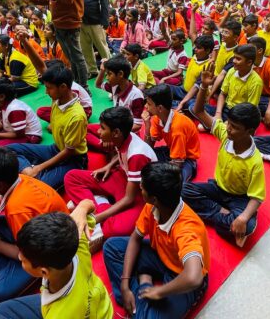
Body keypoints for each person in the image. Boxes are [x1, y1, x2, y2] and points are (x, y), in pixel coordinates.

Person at [0, 148, 69, 316]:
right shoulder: (13, 182)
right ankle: (0, 269)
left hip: (48, 253)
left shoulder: (17, 208)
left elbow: (33, 256)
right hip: (30, 233)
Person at [104, 163, 209, 319]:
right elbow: (135, 238)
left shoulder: (187, 228)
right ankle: (135, 297)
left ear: (154, 198)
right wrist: (125, 285)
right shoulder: (152, 207)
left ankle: (142, 285)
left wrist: (158, 291)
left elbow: (193, 277)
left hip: (182, 276)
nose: (140, 187)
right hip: (161, 255)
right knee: (111, 247)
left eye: (142, 187)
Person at [184, 67, 265, 247]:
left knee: (248, 225)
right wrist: (204, 87)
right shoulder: (224, 134)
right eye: (229, 124)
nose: (228, 128)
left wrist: (243, 217)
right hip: (218, 188)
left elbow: (257, 197)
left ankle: (222, 217)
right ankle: (221, 215)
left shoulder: (254, 160)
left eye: (235, 127)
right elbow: (198, 112)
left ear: (250, 131)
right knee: (182, 190)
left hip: (239, 198)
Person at [0, 202, 114, 319]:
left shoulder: (58, 315)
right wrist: (81, 209)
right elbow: (89, 203)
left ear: (44, 272)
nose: (20, 257)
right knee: (1, 310)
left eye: (24, 259)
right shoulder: (78, 247)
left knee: (0, 312)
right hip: (102, 308)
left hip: (70, 310)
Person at [64, 106, 157, 252]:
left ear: (116, 133)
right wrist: (109, 165)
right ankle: (98, 203)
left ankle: (97, 206)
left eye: (102, 128)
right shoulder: (124, 137)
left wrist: (97, 219)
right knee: (72, 177)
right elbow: (88, 129)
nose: (99, 131)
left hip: (139, 194)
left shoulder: (137, 155)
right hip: (122, 177)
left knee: (113, 230)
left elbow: (129, 199)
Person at [6, 65, 89, 190]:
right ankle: (29, 172)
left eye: (49, 88)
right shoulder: (57, 101)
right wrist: (31, 170)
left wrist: (40, 167)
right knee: (9, 150)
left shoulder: (77, 116)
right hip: (56, 149)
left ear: (63, 87)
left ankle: (34, 172)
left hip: (73, 160)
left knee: (40, 188)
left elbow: (69, 151)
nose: (46, 92)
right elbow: (41, 67)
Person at [142, 85, 200, 183]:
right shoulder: (157, 118)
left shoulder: (178, 127)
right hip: (171, 151)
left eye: (148, 104)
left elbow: (177, 164)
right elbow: (149, 147)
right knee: (144, 155)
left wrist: (157, 168)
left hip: (186, 159)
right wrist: (147, 126)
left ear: (160, 108)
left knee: (174, 182)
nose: (145, 106)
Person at [88, 56, 145, 152]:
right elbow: (98, 84)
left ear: (120, 74)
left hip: (124, 134)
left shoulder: (136, 95)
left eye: (109, 74)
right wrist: (102, 70)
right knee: (86, 129)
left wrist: (112, 136)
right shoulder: (114, 87)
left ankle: (108, 147)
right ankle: (107, 147)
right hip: (112, 127)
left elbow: (137, 125)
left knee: (94, 140)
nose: (107, 77)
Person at [69, 0, 111, 78]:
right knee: (85, 48)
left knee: (102, 47)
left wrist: (105, 21)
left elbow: (104, 1)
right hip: (79, 21)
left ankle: (110, 68)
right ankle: (92, 70)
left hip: (95, 20)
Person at [195, 44, 263, 123]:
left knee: (202, 124)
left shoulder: (256, 82)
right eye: (234, 57)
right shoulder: (231, 71)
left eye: (238, 59)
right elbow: (223, 94)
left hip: (240, 116)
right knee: (193, 106)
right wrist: (218, 114)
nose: (234, 61)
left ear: (249, 62)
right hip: (226, 109)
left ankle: (217, 125)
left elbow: (250, 110)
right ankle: (216, 125)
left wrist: (230, 122)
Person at [249, 36, 270, 127]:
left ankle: (261, 116)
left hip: (266, 98)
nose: (247, 51)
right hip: (249, 95)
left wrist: (268, 111)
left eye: (251, 49)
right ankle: (259, 117)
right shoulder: (246, 62)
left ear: (259, 51)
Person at [174, 35, 214, 109]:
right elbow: (191, 33)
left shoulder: (208, 66)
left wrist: (182, 102)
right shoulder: (195, 57)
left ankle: (179, 103)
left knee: (191, 107)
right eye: (195, 47)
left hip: (194, 97)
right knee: (165, 89)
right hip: (183, 89)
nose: (195, 49)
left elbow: (196, 87)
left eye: (198, 48)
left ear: (208, 51)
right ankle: (177, 103)